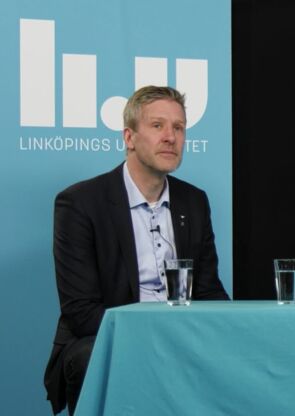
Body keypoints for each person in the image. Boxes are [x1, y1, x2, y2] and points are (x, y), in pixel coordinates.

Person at [43, 86, 230, 415]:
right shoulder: (80, 203)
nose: (170, 137)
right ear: (129, 137)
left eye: (179, 127)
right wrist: (157, 338)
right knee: (90, 357)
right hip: (109, 337)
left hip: (181, 334)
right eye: (157, 126)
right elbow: (82, 312)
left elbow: (208, 291)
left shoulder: (194, 201)